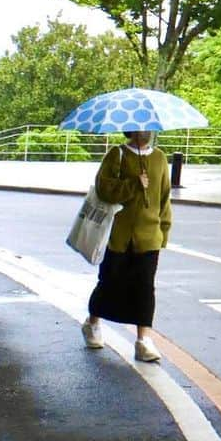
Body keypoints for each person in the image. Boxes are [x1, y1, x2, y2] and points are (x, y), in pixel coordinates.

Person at [81, 128, 171, 362]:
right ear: (132, 131)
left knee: (144, 287)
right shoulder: (117, 155)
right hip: (118, 236)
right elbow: (104, 189)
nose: (146, 132)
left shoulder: (159, 157)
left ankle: (143, 340)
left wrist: (164, 230)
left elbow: (164, 197)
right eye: (142, 129)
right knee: (110, 281)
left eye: (149, 128)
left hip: (149, 236)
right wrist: (133, 183)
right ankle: (92, 323)